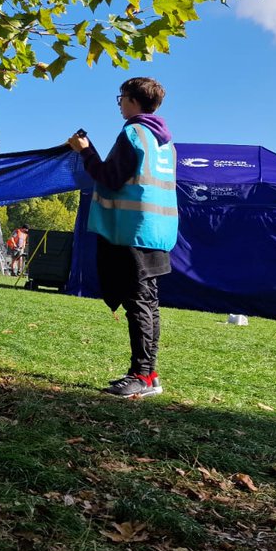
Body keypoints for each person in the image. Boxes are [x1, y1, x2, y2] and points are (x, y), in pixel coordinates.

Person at [67, 77, 177, 398]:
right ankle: (150, 373)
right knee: (148, 304)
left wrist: (87, 152)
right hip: (157, 231)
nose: (119, 104)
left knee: (138, 304)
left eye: (121, 98)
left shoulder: (133, 133)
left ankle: (140, 376)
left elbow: (110, 178)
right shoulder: (165, 142)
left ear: (131, 100)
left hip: (132, 229)